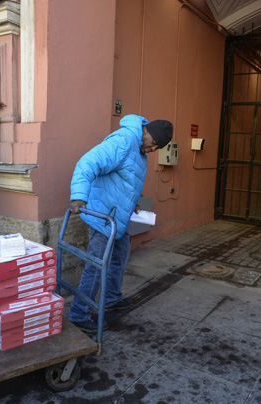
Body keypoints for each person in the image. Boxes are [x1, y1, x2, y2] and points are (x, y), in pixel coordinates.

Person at [68, 114, 173, 332]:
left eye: (156, 149)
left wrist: (134, 200)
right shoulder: (125, 140)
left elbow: (126, 178)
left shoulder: (138, 149)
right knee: (96, 266)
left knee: (120, 256)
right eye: (152, 145)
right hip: (103, 215)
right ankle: (79, 313)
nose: (152, 151)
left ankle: (111, 298)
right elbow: (88, 162)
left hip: (119, 218)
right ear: (146, 132)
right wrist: (78, 196)